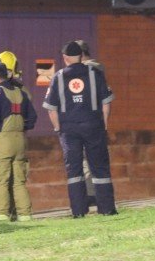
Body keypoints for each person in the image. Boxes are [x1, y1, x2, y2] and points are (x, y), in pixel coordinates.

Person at [43, 40, 117, 218]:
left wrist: (58, 128)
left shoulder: (58, 77)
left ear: (65, 58)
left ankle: (78, 211)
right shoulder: (95, 74)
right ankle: (106, 209)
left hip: (69, 130)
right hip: (93, 126)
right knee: (99, 168)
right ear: (81, 56)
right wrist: (104, 122)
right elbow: (106, 102)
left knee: (74, 170)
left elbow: (51, 108)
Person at [0, 62, 37, 221]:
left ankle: (0, 219)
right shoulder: (21, 93)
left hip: (1, 142)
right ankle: (25, 217)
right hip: (19, 141)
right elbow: (32, 118)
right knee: (19, 182)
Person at [78, 40, 103, 207]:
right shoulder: (99, 70)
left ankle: (91, 194)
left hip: (85, 120)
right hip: (97, 121)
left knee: (86, 160)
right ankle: (98, 193)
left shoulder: (87, 71)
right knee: (94, 159)